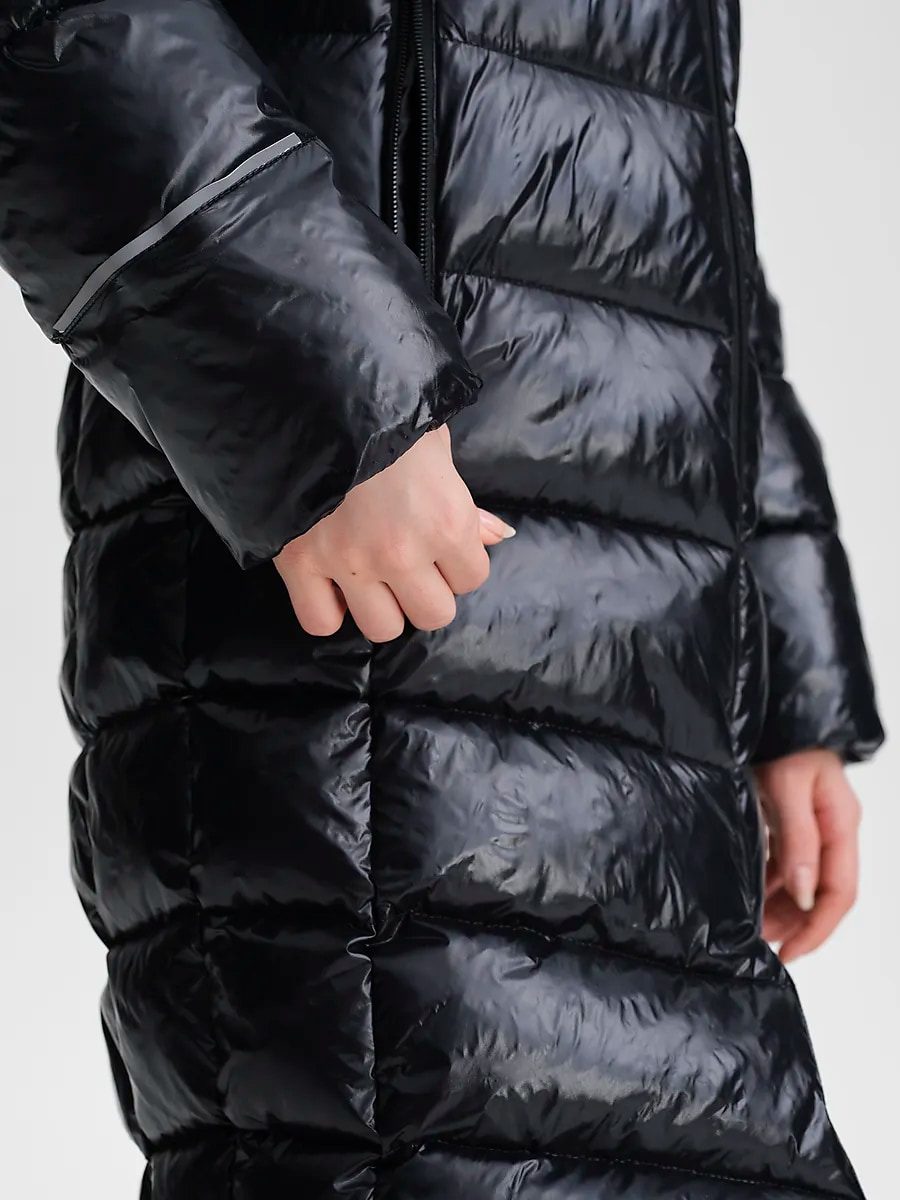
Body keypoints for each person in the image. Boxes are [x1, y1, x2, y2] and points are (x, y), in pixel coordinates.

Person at [0, 1, 885, 1197]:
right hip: (374, 591)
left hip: (665, 673)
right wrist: (325, 388)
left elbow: (682, 176)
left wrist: (781, 652)